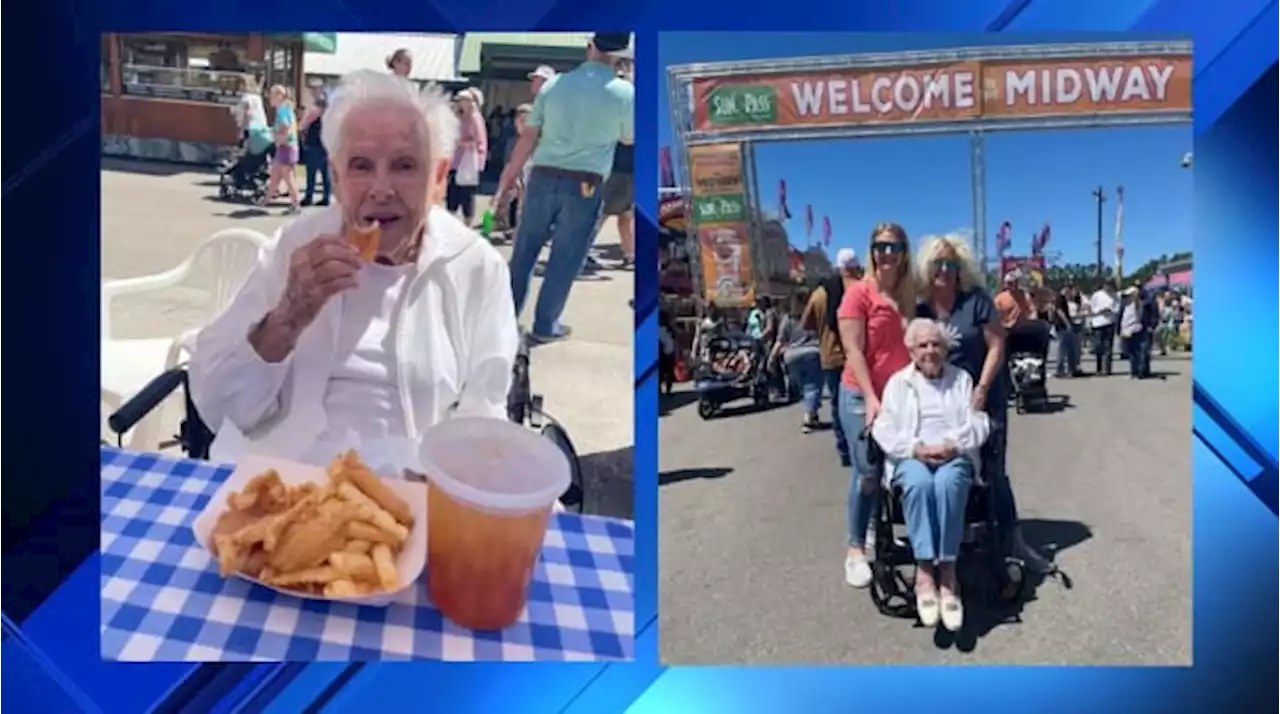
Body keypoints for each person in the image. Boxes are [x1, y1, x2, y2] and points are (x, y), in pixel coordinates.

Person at [189, 70, 518, 468]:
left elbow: (484, 416)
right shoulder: (296, 248)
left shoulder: (476, 267)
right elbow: (217, 406)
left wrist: (444, 480)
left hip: (416, 489)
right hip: (288, 481)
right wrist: (286, 318)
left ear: (438, 178)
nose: (381, 189)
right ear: (336, 177)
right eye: (361, 166)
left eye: (405, 165)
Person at [914, 233, 1048, 571]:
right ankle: (946, 540)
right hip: (941, 402)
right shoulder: (920, 307)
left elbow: (996, 345)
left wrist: (983, 387)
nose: (944, 270)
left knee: (993, 471)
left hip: (983, 396)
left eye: (951, 264)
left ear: (960, 268)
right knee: (943, 466)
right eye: (938, 264)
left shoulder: (976, 301)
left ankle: (1014, 542)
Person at [496, 33, 634, 344]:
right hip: (586, 181)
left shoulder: (554, 85)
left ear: (591, 47)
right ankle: (546, 324)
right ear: (620, 55)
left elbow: (529, 137)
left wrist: (506, 181)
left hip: (543, 175)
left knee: (524, 252)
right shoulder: (625, 93)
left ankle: (502, 321)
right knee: (566, 256)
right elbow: (628, 137)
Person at [872, 318, 990, 631]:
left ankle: (948, 574)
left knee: (948, 482)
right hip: (912, 455)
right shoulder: (899, 383)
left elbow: (980, 423)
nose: (930, 350)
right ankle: (925, 571)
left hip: (954, 454)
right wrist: (915, 449)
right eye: (922, 345)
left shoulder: (962, 379)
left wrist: (955, 444)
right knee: (920, 482)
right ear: (911, 351)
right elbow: (884, 428)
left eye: (936, 344)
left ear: (946, 348)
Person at [837, 222, 915, 588]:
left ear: (904, 253)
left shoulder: (910, 295)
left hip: (900, 396)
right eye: (880, 246)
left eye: (894, 247)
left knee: (899, 470)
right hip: (859, 393)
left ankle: (877, 533)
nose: (886, 253)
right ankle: (855, 550)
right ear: (871, 252)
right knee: (868, 472)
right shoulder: (858, 294)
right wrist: (870, 396)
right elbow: (852, 349)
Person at [801, 248, 860, 467]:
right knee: (861, 404)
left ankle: (844, 449)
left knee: (837, 405)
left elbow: (806, 323)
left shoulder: (819, 294)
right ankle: (861, 448)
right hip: (858, 356)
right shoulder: (861, 288)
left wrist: (823, 329)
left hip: (831, 357)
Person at [772, 291, 822, 430]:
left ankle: (813, 413)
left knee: (803, 387)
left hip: (792, 357)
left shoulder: (788, 319)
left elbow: (780, 341)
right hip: (812, 352)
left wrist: (772, 358)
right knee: (812, 385)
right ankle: (808, 417)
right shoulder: (813, 316)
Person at [447, 88, 487, 226]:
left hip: (468, 161)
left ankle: (467, 223)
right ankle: (452, 221)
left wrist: (461, 142)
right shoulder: (459, 116)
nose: (459, 103)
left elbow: (477, 141)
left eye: (463, 100)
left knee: (467, 193)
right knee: (453, 192)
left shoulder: (474, 118)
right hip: (456, 161)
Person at [264, 85, 301, 213]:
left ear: (280, 96)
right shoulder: (285, 108)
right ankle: (266, 200)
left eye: (273, 95)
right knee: (275, 174)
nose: (270, 98)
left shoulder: (283, 109)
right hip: (286, 146)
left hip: (287, 146)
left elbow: (285, 125)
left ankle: (296, 204)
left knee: (288, 176)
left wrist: (278, 136)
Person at [299, 84, 330, 207]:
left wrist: (303, 134)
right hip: (326, 146)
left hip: (315, 145)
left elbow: (303, 125)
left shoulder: (315, 110)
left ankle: (309, 197)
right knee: (325, 174)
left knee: (312, 173)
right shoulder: (330, 115)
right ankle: (326, 197)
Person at [1088, 280, 1119, 375]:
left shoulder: (1115, 296)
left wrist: (1111, 310)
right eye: (1106, 285)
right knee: (1098, 347)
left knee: (1108, 347)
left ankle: (1107, 369)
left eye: (1110, 285)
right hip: (1098, 323)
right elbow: (1092, 308)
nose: (1108, 287)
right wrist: (1100, 310)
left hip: (1109, 322)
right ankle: (1099, 368)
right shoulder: (1097, 295)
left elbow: (1117, 308)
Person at [658, 311, 677, 395]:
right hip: (666, 354)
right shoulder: (668, 330)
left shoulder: (665, 330)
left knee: (663, 372)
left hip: (663, 354)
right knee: (667, 372)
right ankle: (666, 389)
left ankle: (663, 389)